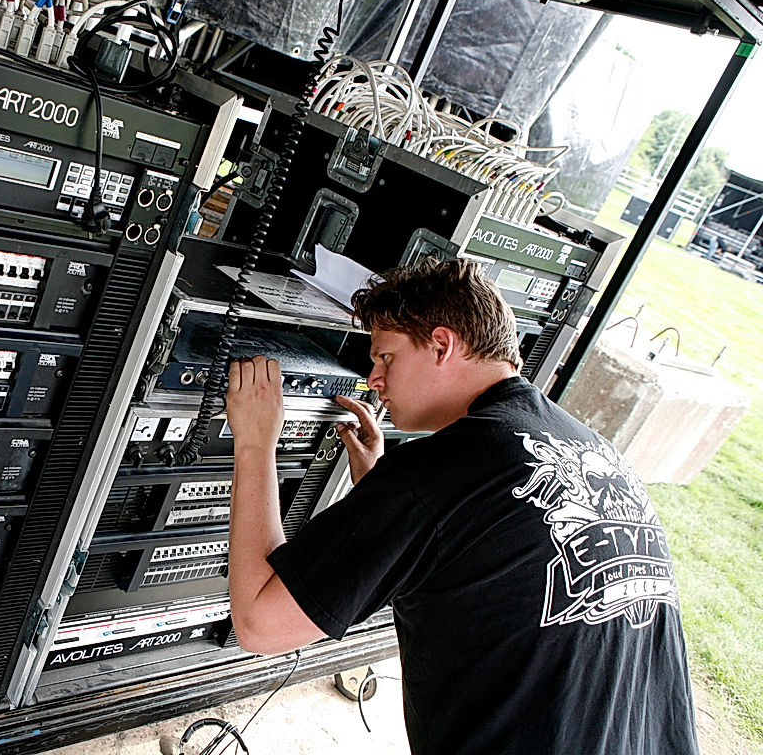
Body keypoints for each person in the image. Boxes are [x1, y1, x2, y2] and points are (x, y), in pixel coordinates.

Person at [225, 258, 698, 754]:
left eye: (385, 357)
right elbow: (481, 546)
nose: (373, 379)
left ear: (443, 345)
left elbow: (260, 623)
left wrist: (255, 444)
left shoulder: (440, 471)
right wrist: (382, 489)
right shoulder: (594, 449)